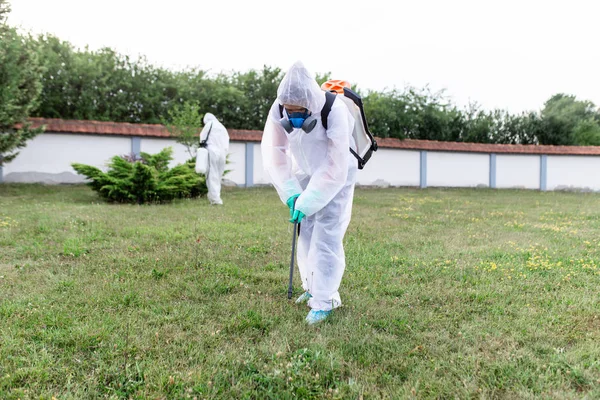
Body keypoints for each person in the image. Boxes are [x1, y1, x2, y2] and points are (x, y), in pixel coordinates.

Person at [261, 61, 358, 325]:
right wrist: (291, 192)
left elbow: (335, 164)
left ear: (309, 104)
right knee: (305, 229)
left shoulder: (333, 109)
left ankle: (326, 300)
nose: (292, 116)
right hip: (305, 169)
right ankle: (311, 287)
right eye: (288, 111)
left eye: (298, 111)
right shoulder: (278, 107)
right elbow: (275, 154)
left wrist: (311, 198)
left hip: (338, 173)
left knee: (326, 232)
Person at [199, 113, 229, 205]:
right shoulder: (222, 127)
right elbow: (226, 141)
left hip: (211, 152)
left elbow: (202, 138)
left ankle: (215, 200)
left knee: (211, 175)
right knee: (218, 175)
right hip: (222, 154)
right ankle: (216, 197)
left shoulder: (209, 125)